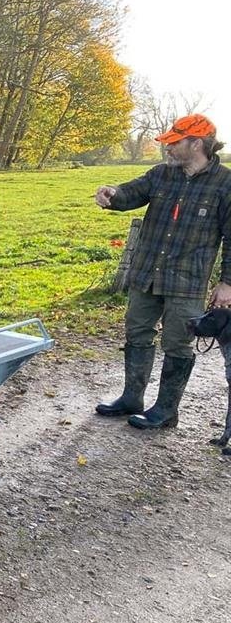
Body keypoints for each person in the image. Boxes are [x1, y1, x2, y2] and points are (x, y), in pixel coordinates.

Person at [94, 113, 231, 429]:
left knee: (178, 342)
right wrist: (111, 193)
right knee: (137, 332)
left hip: (187, 281)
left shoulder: (225, 184)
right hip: (147, 273)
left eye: (174, 142)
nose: (168, 148)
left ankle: (167, 410)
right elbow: (131, 193)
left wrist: (227, 283)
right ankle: (132, 398)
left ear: (196, 144)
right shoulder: (161, 175)